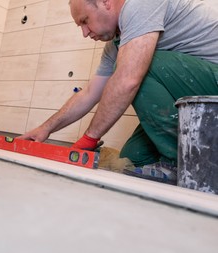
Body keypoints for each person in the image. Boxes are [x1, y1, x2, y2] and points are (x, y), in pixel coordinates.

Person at [18, 0, 218, 184]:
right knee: (133, 160)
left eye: (85, 21)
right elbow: (89, 94)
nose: (85, 33)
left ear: (105, 1)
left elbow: (128, 80)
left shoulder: (140, 4)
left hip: (212, 87)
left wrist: (89, 138)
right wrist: (46, 128)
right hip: (199, 99)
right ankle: (187, 157)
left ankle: (188, 164)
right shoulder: (117, 44)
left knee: (135, 69)